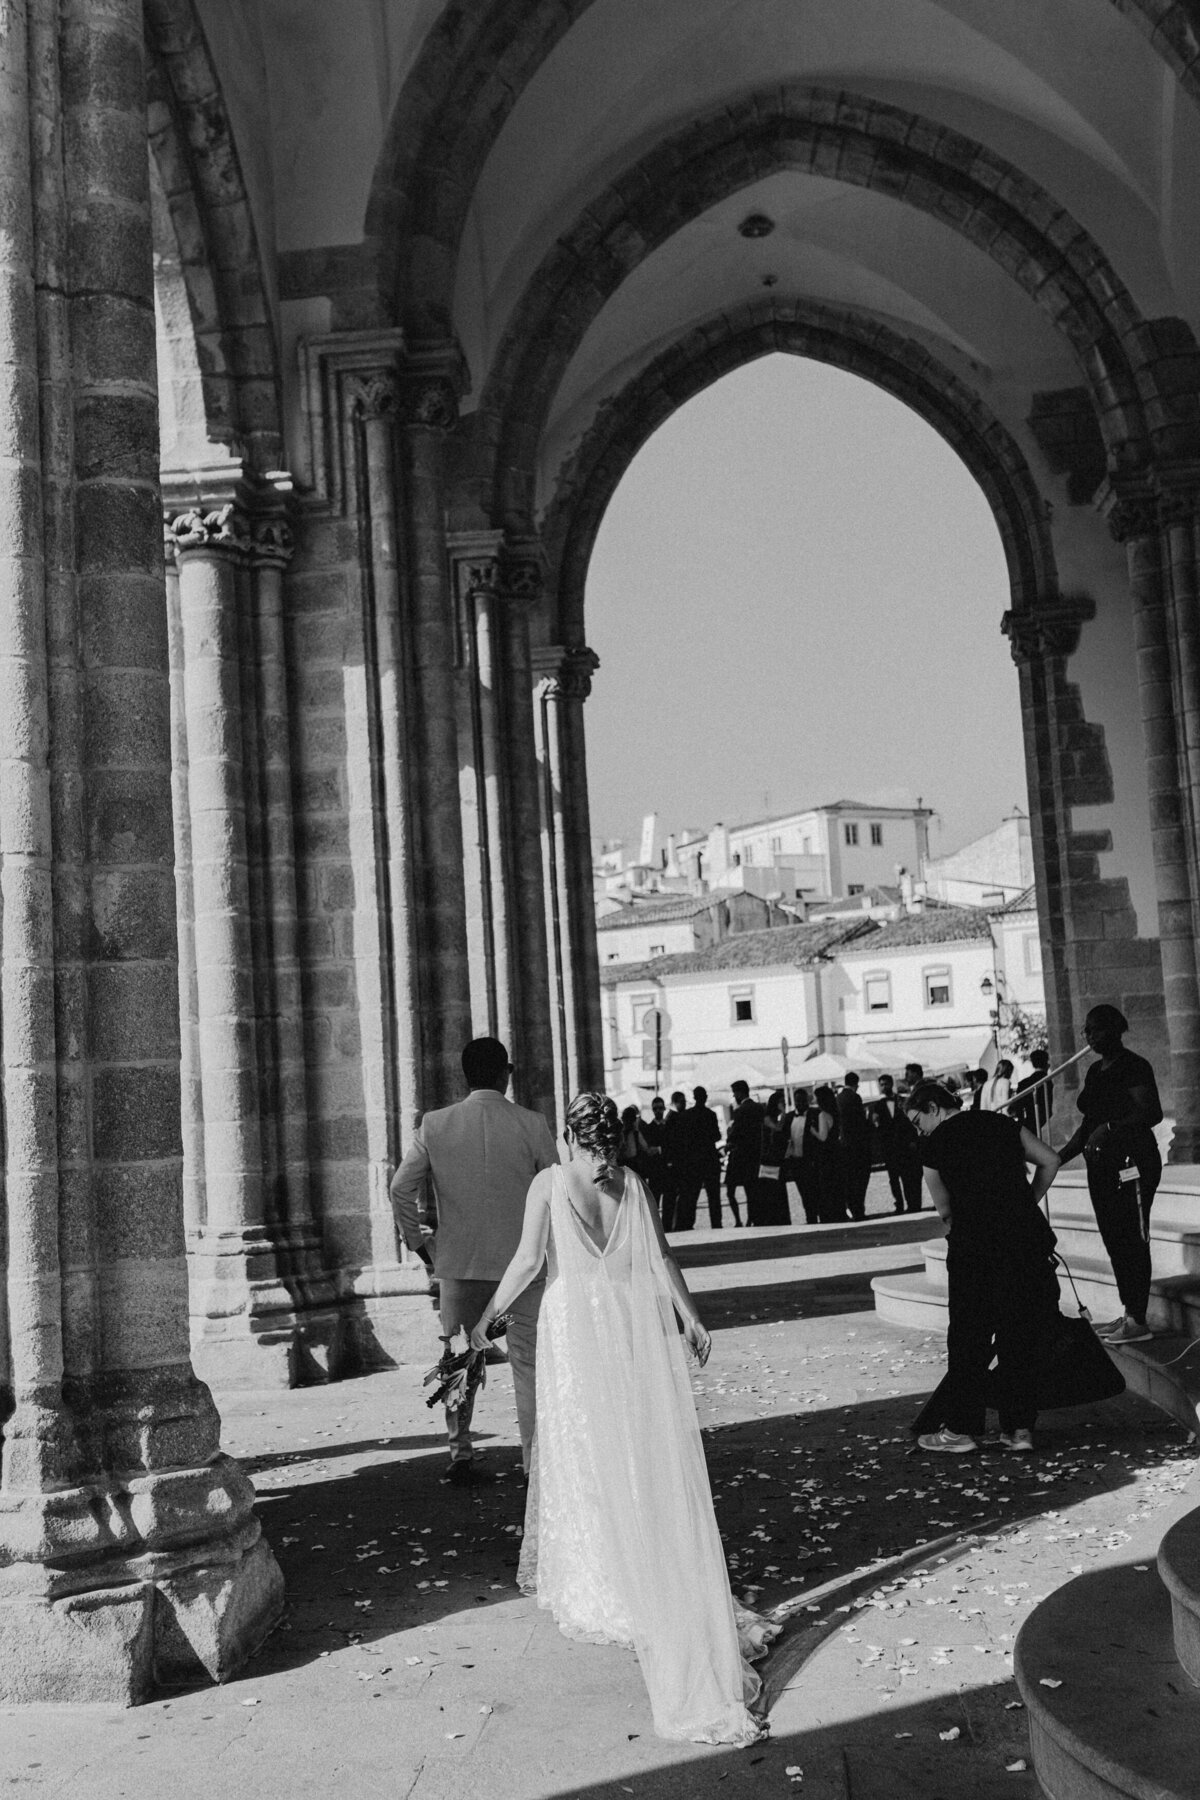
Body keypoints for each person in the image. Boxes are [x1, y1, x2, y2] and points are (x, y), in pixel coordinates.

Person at [470, 1092, 779, 1743]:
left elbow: (528, 1261)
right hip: (626, 1326)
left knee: (585, 1449)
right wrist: (691, 1320)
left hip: (573, 1329)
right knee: (633, 1447)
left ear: (570, 1137)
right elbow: (662, 1259)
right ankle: (637, 1562)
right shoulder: (632, 1183)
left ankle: (604, 1577)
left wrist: (487, 1316)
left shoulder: (551, 1183)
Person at [390, 1035, 558, 1485]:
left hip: (460, 1264)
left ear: (465, 1076)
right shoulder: (532, 1124)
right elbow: (556, 1194)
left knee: (460, 1361)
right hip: (522, 1265)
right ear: (506, 1073)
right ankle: (533, 1458)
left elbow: (400, 1188)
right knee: (528, 1362)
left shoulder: (435, 1125)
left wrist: (419, 1244)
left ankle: (460, 1452)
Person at [907, 1080, 1061, 1453]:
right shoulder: (1000, 1123)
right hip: (1023, 1243)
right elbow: (1050, 1160)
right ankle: (1019, 1429)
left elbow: (945, 1210)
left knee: (969, 1339)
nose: (918, 1129)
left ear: (933, 1108)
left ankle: (962, 1430)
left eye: (917, 1120)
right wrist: (1027, 1201)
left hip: (974, 1248)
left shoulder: (934, 1145)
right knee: (1018, 1335)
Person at [1058, 1004, 1164, 1345]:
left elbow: (1151, 1113)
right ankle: (1129, 1311)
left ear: (1115, 1029)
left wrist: (1111, 1128)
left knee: (1133, 1238)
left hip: (1132, 1163)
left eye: (1096, 1029)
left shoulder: (1135, 1066)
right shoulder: (1094, 1072)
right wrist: (1057, 1158)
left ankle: (1139, 1319)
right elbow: (1087, 1127)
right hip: (1100, 1167)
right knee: (1114, 1240)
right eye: (1087, 1031)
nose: (1089, 1036)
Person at [870, 1073, 923, 1213]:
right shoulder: (877, 1106)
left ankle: (912, 1204)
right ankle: (898, 1204)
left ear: (891, 1084)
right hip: (889, 1148)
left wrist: (913, 1140)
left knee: (907, 1176)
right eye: (881, 1084)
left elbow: (911, 1123)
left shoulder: (903, 1101)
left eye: (886, 1084)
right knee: (893, 1178)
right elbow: (876, 1128)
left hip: (904, 1145)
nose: (884, 1087)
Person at [675, 1086, 723, 1230]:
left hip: (693, 1161)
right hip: (709, 1159)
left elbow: (683, 1140)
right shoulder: (710, 1115)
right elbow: (717, 1136)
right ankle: (716, 1223)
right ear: (705, 1097)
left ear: (694, 1097)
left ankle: (688, 1223)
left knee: (692, 1195)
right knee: (714, 1196)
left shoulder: (687, 1116)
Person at [724, 1080, 763, 1226]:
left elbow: (735, 1134)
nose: (734, 1096)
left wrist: (729, 1141)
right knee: (751, 1190)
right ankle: (750, 1219)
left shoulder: (740, 1111)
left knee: (731, 1191)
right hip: (755, 1155)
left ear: (740, 1092)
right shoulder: (759, 1108)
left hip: (739, 1156)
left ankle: (739, 1220)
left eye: (735, 1093)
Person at [836, 1072, 873, 1220]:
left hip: (844, 1145)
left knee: (849, 1181)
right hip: (857, 1145)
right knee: (859, 1181)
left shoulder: (838, 1098)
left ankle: (851, 1208)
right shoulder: (855, 1098)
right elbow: (860, 1123)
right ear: (856, 1084)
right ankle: (859, 1210)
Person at [811, 1084, 847, 1222]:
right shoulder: (835, 1113)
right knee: (837, 1184)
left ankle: (830, 1214)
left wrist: (812, 1131)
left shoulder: (822, 1115)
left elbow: (823, 1137)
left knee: (827, 1186)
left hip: (826, 1154)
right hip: (836, 1152)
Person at [756, 1090, 792, 1225]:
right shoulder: (767, 1119)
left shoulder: (772, 1118)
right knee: (773, 1191)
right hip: (769, 1161)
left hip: (777, 1160)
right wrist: (783, 1113)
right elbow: (778, 1128)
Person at [786, 1087, 821, 1223]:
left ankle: (816, 1215)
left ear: (807, 1100)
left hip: (810, 1161)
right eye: (797, 1101)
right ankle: (810, 1217)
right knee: (803, 1192)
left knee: (814, 1191)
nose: (800, 1104)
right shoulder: (789, 1118)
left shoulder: (815, 1114)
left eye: (802, 1100)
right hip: (796, 1162)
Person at [659, 1090, 689, 1231]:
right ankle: (671, 1224)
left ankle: (671, 1223)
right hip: (675, 1163)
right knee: (672, 1195)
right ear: (676, 1102)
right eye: (682, 1102)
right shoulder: (674, 1118)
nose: (684, 1104)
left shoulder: (671, 1118)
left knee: (672, 1196)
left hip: (675, 1162)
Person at [1014, 1048, 1053, 1137]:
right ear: (1046, 1062)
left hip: (1030, 1122)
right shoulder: (1049, 1082)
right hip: (1046, 1121)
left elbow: (1018, 1107)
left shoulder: (1023, 1083)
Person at [642, 1094, 668, 1212]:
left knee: (669, 1202)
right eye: (655, 1108)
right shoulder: (648, 1128)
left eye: (660, 1108)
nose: (658, 1111)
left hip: (668, 1169)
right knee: (654, 1202)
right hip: (655, 1171)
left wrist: (658, 1149)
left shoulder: (669, 1127)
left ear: (664, 1108)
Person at [619, 1104, 651, 1177]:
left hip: (633, 1165)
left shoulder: (635, 1133)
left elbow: (645, 1147)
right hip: (626, 1165)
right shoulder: (622, 1134)